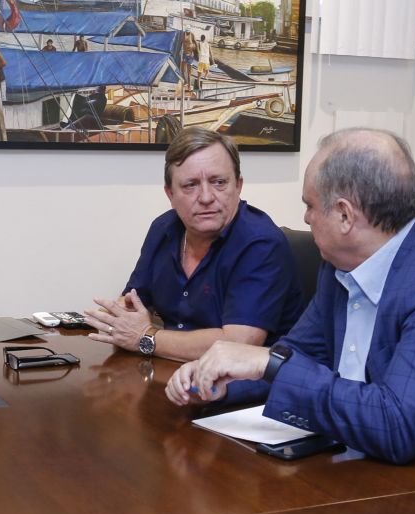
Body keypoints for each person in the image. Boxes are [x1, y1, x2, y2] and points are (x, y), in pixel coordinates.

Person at [165, 127, 415, 473]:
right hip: (355, 466)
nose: (305, 218)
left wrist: (266, 364)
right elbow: (299, 354)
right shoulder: (341, 263)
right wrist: (222, 380)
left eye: (309, 205)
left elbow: (397, 426)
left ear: (344, 214)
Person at [84, 127, 303, 362]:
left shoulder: (260, 243)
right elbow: (134, 302)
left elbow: (238, 344)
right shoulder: (164, 229)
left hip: (244, 387)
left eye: (219, 182)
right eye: (191, 185)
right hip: (173, 371)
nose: (207, 197)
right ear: (170, 193)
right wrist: (117, 317)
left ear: (238, 186)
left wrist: (145, 337)